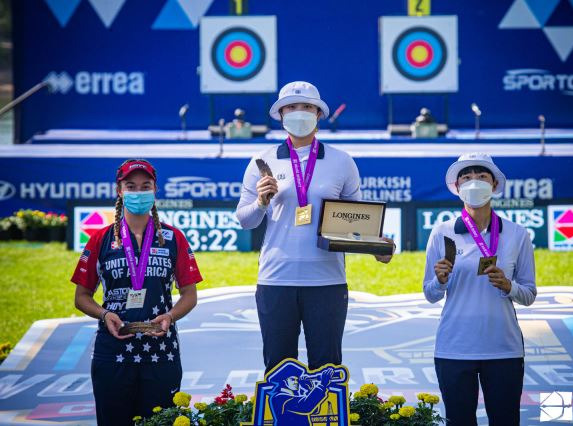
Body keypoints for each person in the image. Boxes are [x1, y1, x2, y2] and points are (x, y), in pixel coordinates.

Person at [235, 81, 394, 372]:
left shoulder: (342, 161)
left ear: (319, 115)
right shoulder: (262, 161)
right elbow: (246, 220)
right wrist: (260, 202)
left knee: (327, 369)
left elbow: (356, 220)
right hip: (276, 279)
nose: (299, 112)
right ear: (281, 114)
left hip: (327, 281)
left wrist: (376, 245)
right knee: (278, 368)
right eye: (292, 107)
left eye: (307, 107)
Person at [71, 159, 202, 425]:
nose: (139, 192)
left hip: (161, 350)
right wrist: (104, 313)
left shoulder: (173, 238)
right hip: (113, 352)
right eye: (131, 186)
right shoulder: (101, 239)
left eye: (146, 186)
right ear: (119, 190)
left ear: (155, 190)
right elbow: (81, 297)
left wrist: (171, 316)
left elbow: (190, 294)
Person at [422, 153, 536, 426]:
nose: (474, 182)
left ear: (495, 184)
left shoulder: (517, 234)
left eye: (482, 176)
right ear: (457, 186)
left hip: (503, 348)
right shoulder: (442, 232)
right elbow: (430, 293)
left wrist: (509, 286)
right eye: (467, 177)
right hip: (454, 348)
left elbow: (529, 294)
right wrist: (440, 280)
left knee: (505, 421)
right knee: (459, 421)